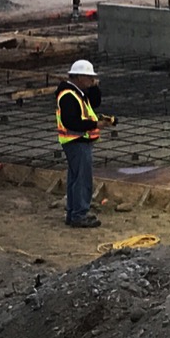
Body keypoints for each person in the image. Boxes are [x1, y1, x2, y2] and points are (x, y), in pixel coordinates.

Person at [56, 59, 115, 228]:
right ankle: (79, 214)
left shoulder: (77, 92)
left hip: (77, 141)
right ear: (80, 77)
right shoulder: (69, 96)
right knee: (82, 179)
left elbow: (95, 102)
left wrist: (95, 86)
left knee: (75, 178)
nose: (91, 81)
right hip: (76, 140)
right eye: (89, 78)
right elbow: (71, 122)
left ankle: (73, 213)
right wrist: (95, 124)